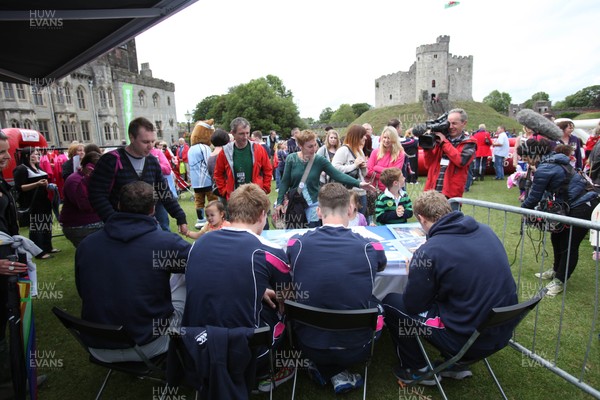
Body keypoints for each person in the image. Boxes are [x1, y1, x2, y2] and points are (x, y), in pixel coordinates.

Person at [383, 190, 518, 385]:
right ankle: (455, 365)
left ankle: (416, 368)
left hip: (466, 339)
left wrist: (414, 272)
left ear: (421, 219)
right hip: (500, 329)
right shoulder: (485, 230)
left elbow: (413, 305)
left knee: (391, 302)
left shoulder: (430, 251)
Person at [183, 183, 294, 393]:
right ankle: (267, 371)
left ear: (230, 213)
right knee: (284, 312)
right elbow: (286, 297)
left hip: (196, 343)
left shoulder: (199, 244)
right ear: (263, 215)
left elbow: (215, 277)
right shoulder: (270, 250)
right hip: (246, 349)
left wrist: (257, 290)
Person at [286, 183, 386, 394]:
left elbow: (292, 248)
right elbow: (381, 260)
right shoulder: (369, 246)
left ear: (319, 211)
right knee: (380, 302)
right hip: (357, 346)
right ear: (350, 210)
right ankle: (336, 371)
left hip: (307, 342)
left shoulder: (298, 244)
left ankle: (325, 368)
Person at [75, 181, 191, 362]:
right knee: (186, 279)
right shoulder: (167, 243)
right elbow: (202, 267)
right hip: (149, 343)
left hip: (97, 344)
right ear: (153, 209)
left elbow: (83, 291)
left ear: (119, 204)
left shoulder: (87, 245)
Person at [520, 138, 600, 297]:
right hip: (573, 203)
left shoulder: (545, 167)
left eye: (526, 158)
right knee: (557, 237)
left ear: (534, 155)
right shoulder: (553, 160)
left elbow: (534, 196)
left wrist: (522, 210)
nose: (526, 162)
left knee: (569, 243)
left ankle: (560, 280)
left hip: (583, 205)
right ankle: (556, 269)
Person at [89, 117, 189, 236]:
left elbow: (163, 191)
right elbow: (97, 194)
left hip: (148, 225)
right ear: (132, 137)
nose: (151, 146)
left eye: (153, 141)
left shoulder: (152, 161)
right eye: (145, 142)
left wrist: (180, 216)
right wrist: (113, 220)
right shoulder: (110, 160)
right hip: (119, 227)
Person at [0, 131, 43, 397]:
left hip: (9, 265)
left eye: (7, 152)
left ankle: (15, 376)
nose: (6, 157)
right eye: (0, 153)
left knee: (12, 323)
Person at [276, 130, 374, 228]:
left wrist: (359, 183)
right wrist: (279, 202)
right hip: (296, 203)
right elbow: (285, 181)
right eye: (310, 146)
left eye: (315, 145)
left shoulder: (319, 160)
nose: (313, 149)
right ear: (300, 146)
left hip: (313, 204)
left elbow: (337, 174)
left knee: (313, 232)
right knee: (296, 232)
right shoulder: (291, 158)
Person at [13, 147, 59, 259]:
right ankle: (39, 251)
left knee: (46, 224)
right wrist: (37, 184)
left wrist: (49, 186)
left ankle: (48, 246)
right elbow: (20, 187)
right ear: (28, 156)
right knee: (37, 226)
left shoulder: (37, 168)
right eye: (35, 154)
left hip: (44, 200)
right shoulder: (21, 169)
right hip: (32, 202)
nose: (38, 155)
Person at [213, 117, 273, 201]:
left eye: (247, 133)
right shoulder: (225, 151)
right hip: (234, 198)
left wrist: (265, 189)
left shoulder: (258, 149)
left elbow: (268, 170)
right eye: (241, 133)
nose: (245, 137)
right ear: (233, 133)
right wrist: (224, 191)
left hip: (255, 197)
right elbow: (218, 174)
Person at [423, 108, 476, 198]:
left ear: (464, 123)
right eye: (448, 123)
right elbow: (428, 165)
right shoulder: (440, 139)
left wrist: (444, 143)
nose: (450, 127)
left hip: (451, 194)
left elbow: (461, 161)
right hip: (432, 191)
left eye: (454, 123)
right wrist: (427, 149)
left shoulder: (469, 142)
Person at [59, 151, 103, 247]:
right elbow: (84, 204)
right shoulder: (74, 180)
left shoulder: (84, 179)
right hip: (80, 225)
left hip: (92, 222)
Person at [332, 125, 369, 216]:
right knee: (348, 220)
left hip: (361, 191)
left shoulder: (360, 150)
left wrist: (363, 167)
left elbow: (363, 174)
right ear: (356, 136)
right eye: (363, 135)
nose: (365, 137)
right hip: (348, 193)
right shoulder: (343, 150)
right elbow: (334, 169)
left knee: (361, 219)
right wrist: (354, 165)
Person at [366, 126, 405, 191]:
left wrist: (376, 167)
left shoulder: (400, 154)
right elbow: (368, 171)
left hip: (392, 190)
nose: (386, 140)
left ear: (394, 139)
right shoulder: (375, 152)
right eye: (384, 137)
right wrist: (386, 174)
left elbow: (394, 174)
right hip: (376, 189)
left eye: (389, 138)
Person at [150, 141, 175, 231]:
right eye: (145, 141)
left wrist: (154, 164)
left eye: (152, 141)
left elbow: (168, 169)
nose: (149, 144)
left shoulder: (157, 152)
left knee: (164, 224)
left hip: (159, 189)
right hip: (142, 194)